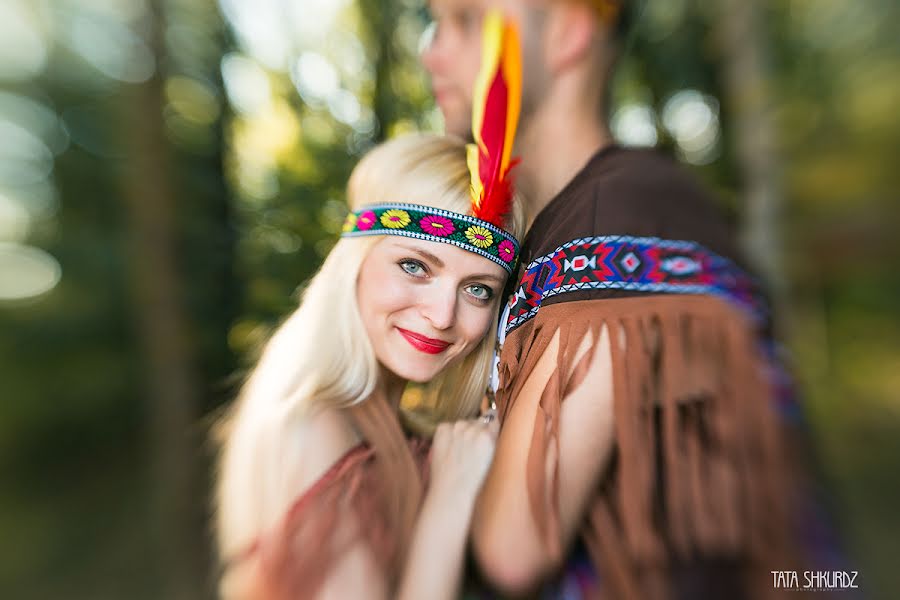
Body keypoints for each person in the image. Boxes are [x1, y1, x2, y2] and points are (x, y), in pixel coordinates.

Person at [424, 1, 816, 598]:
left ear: (567, 32)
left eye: (466, 20)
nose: (432, 51)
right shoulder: (583, 218)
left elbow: (512, 548)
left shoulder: (617, 217)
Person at [213, 132, 527, 600]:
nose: (442, 315)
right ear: (354, 263)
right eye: (415, 266)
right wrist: (450, 497)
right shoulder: (317, 424)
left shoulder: (379, 413)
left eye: (478, 289)